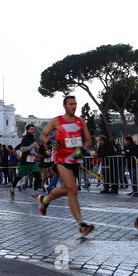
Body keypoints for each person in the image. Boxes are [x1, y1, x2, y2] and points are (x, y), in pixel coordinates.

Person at [37, 95, 94, 236]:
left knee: (68, 189)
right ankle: (81, 225)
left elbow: (88, 140)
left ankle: (44, 200)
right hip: (60, 158)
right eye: (71, 104)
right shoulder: (57, 121)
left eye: (75, 103)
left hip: (75, 159)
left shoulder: (80, 122)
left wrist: (83, 149)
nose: (74, 106)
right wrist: (49, 142)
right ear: (64, 106)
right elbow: (43, 135)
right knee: (72, 190)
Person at [9, 125, 42, 199]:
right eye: (31, 129)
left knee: (38, 176)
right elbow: (22, 149)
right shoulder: (25, 138)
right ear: (27, 130)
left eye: (34, 129)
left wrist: (37, 155)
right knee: (18, 177)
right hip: (25, 163)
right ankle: (12, 189)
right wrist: (18, 157)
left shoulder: (33, 138)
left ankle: (35, 193)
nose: (33, 130)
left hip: (33, 162)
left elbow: (36, 149)